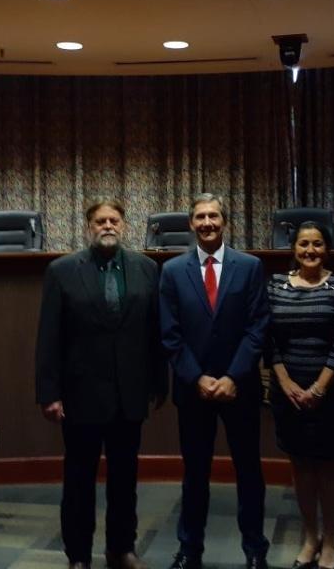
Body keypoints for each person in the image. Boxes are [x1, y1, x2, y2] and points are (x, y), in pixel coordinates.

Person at [36, 199, 166, 569]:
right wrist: (49, 393)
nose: (107, 226)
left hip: (130, 395)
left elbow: (154, 332)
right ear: (88, 227)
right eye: (99, 221)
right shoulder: (61, 271)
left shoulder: (145, 269)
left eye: (114, 220)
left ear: (124, 226)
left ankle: (121, 549)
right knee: (78, 482)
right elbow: (49, 337)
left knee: (125, 480)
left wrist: (159, 382)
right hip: (81, 397)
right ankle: (78, 556)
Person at [160, 193, 271, 569]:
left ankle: (255, 550)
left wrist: (232, 376)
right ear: (191, 224)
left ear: (225, 221)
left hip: (239, 389)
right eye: (200, 217)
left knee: (249, 473)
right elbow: (170, 334)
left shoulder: (250, 266)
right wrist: (198, 378)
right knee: (194, 475)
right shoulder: (173, 271)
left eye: (214, 216)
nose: (207, 223)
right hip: (194, 392)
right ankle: (190, 550)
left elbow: (258, 327)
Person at [266, 221, 334, 569]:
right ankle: (309, 536)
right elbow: (267, 339)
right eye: (303, 244)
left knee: (330, 468)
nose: (310, 250)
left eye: (317, 244)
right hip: (287, 394)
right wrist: (286, 383)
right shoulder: (275, 285)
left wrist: (319, 387)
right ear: (293, 248)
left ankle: (331, 538)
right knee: (301, 466)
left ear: (327, 248)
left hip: (331, 395)